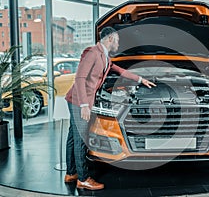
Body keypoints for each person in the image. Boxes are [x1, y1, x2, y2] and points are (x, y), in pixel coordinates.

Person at [64, 27, 156, 190]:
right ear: (110, 39)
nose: (118, 43)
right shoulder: (92, 52)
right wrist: (84, 105)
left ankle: (71, 173)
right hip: (79, 100)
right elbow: (79, 78)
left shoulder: (104, 55)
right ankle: (83, 179)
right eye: (117, 40)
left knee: (73, 136)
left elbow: (119, 70)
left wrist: (141, 79)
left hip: (78, 100)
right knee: (80, 139)